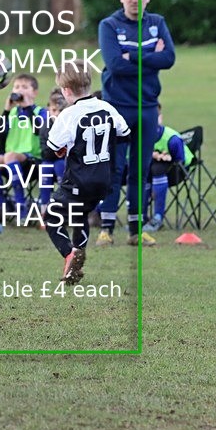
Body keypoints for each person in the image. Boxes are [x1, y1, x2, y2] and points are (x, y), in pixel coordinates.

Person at [96, 0, 175, 247]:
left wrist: (135, 56)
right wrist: (151, 56)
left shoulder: (157, 23)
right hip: (117, 107)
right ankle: (106, 228)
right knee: (113, 168)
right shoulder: (109, 25)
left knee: (140, 170)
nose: (134, 0)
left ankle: (135, 230)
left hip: (147, 108)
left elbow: (170, 59)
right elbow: (115, 65)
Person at [43, 59, 130, 285]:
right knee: (79, 214)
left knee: (51, 217)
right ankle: (74, 265)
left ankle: (70, 254)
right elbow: (125, 133)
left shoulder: (69, 115)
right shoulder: (107, 107)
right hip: (103, 179)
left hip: (78, 179)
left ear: (66, 90)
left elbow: (50, 152)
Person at [0, 73, 47, 221]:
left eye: (25, 87)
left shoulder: (41, 112)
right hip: (11, 160)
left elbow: (39, 130)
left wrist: (28, 108)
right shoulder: (12, 113)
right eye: (17, 87)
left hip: (33, 160)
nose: (20, 90)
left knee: (10, 156)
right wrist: (6, 110)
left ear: (34, 92)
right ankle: (0, 206)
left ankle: (21, 205)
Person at [142, 104, 194, 232]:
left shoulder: (172, 138)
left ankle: (158, 217)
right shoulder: (140, 136)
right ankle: (140, 217)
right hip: (151, 172)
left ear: (160, 118)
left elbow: (180, 161)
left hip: (179, 171)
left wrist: (166, 158)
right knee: (143, 169)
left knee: (157, 169)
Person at [36, 88, 68, 207]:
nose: (57, 114)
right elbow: (45, 152)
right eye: (54, 110)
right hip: (49, 160)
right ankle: (44, 207)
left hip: (66, 162)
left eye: (61, 110)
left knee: (61, 165)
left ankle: (63, 205)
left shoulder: (70, 125)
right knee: (46, 168)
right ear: (48, 109)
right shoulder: (45, 127)